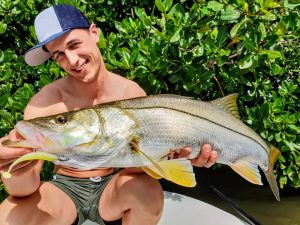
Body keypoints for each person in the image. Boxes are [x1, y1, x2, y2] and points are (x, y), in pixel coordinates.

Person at [0, 4, 218, 225]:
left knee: (147, 191)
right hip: (63, 189)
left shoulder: (130, 93)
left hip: (111, 189)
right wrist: (15, 169)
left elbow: (139, 169)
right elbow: (23, 191)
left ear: (94, 33)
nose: (72, 61)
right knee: (8, 215)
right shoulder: (44, 103)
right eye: (59, 55)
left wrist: (172, 155)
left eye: (74, 45)